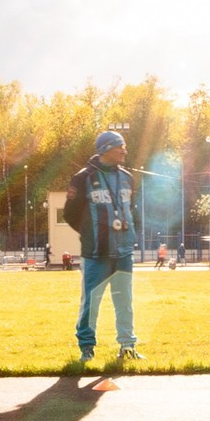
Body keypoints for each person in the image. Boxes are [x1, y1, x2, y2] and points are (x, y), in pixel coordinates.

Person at [64, 130, 139, 363]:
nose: (125, 150)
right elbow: (69, 214)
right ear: (106, 149)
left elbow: (131, 209)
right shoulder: (83, 178)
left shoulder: (127, 177)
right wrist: (90, 235)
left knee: (124, 301)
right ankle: (86, 348)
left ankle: (127, 346)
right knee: (91, 304)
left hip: (124, 252)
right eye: (121, 147)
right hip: (96, 254)